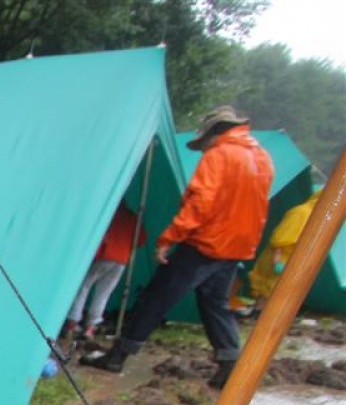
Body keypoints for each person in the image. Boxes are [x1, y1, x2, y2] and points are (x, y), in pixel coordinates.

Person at [80, 106, 273, 389]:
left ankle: (117, 356)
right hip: (237, 247)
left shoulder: (220, 154)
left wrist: (169, 237)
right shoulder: (262, 158)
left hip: (205, 243)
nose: (203, 148)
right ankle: (230, 363)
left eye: (203, 142)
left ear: (215, 133)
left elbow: (201, 202)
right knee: (216, 303)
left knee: (156, 297)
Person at [60, 203, 145, 347]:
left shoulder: (108, 212)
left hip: (104, 254)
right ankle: (91, 327)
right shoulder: (132, 217)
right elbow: (141, 238)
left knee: (83, 287)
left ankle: (72, 322)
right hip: (122, 259)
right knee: (104, 293)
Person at [246, 188, 320, 314]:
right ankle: (259, 313)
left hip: (289, 258)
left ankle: (262, 313)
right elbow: (280, 238)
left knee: (275, 288)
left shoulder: (314, 217)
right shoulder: (302, 213)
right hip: (280, 257)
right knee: (269, 287)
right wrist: (277, 258)